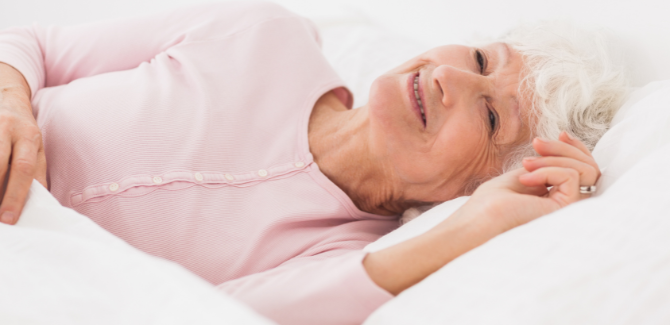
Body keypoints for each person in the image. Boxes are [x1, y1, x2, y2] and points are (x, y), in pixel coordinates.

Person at [0, 1, 627, 324]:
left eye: (491, 116)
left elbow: (222, 315)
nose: (448, 76)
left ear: (479, 186)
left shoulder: (345, 262)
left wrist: (483, 223)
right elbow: (32, 43)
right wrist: (10, 105)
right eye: (481, 58)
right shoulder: (262, 31)